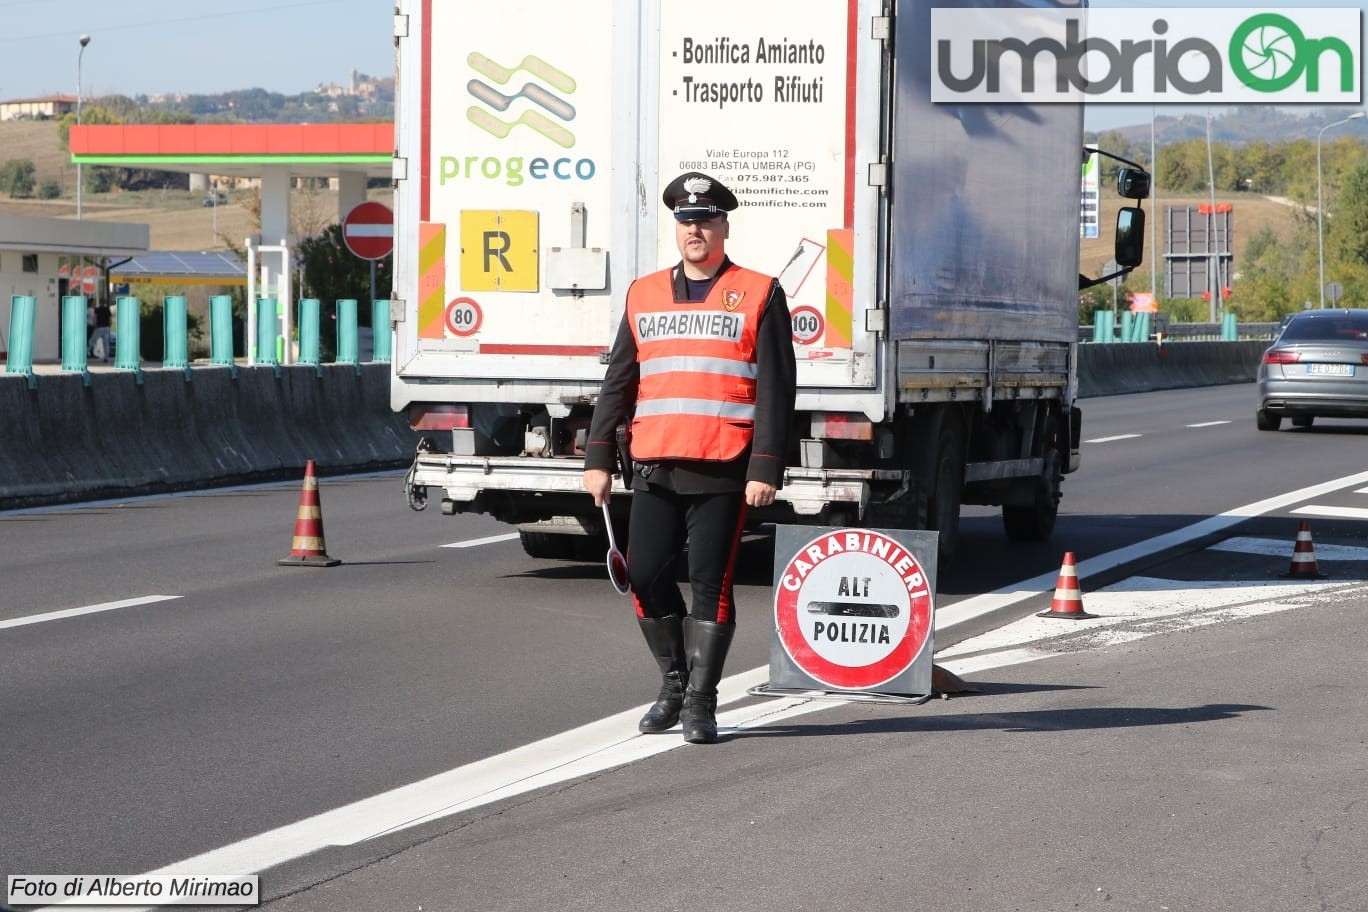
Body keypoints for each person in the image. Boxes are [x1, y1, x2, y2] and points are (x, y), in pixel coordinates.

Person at [582, 171, 796, 744]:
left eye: (704, 221)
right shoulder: (643, 293)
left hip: (724, 469)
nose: (694, 231)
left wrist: (766, 467)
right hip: (654, 466)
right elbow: (619, 380)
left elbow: (778, 387)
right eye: (685, 222)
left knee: (711, 586)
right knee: (647, 575)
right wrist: (598, 456)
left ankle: (701, 702)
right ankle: (673, 684)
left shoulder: (760, 292)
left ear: (724, 226)